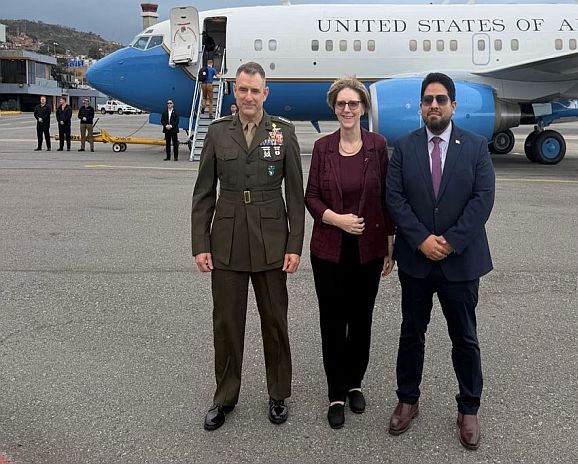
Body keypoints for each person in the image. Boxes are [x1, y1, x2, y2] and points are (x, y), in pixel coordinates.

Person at [191, 61, 304, 430]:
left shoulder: (283, 133)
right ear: (234, 92)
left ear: (265, 93)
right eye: (243, 89)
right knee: (226, 323)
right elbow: (203, 193)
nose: (249, 96)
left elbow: (296, 196)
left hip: (272, 242)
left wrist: (295, 245)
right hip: (226, 241)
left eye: (255, 90)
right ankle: (224, 397)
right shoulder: (218, 133)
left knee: (275, 322)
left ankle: (278, 394)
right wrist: (200, 244)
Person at [385, 72, 495, 450]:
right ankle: (407, 400)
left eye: (441, 99)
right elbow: (395, 198)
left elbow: (482, 200)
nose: (435, 105)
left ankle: (468, 408)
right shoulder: (404, 147)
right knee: (411, 333)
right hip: (416, 261)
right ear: (420, 106)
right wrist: (421, 240)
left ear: (453, 105)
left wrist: (449, 242)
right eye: (428, 100)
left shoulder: (476, 146)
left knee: (464, 337)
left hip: (460, 262)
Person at [304, 77, 394, 429]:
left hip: (368, 250)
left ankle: (355, 382)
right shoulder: (322, 147)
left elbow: (386, 196)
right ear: (334, 108)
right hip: (329, 250)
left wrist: (390, 242)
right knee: (332, 321)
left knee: (361, 320)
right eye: (341, 104)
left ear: (362, 108)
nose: (347, 109)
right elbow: (311, 196)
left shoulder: (377, 145)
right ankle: (336, 393)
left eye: (353, 103)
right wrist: (336, 219)